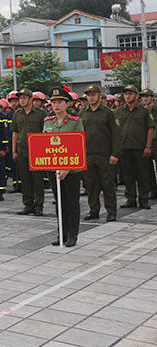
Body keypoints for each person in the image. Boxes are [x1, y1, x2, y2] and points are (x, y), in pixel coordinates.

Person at [43, 86, 85, 247]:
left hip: (72, 170)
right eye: (53, 102)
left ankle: (73, 234)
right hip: (54, 169)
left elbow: (78, 145)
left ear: (67, 104)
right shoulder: (48, 122)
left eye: (60, 102)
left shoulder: (75, 122)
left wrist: (68, 167)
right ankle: (62, 233)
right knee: (59, 202)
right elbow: (44, 145)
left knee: (72, 202)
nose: (56, 105)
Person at [79, 84, 120, 222]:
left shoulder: (108, 113)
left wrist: (115, 153)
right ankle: (93, 210)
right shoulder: (82, 113)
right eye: (89, 95)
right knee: (91, 185)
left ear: (99, 96)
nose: (91, 97)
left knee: (108, 185)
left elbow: (115, 134)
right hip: (88, 155)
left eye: (93, 95)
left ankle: (111, 211)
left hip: (104, 155)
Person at [116, 84, 154, 209]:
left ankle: (144, 198)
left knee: (142, 175)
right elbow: (115, 129)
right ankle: (130, 198)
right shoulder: (119, 111)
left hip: (140, 148)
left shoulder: (144, 111)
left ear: (136, 96)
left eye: (130, 93)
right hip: (124, 148)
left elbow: (150, 128)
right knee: (128, 175)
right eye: (126, 94)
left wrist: (148, 146)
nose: (128, 96)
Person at [11, 89, 48, 216]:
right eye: (20, 98)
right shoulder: (17, 114)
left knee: (37, 179)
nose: (21, 100)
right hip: (22, 150)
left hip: (37, 150)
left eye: (24, 98)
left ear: (31, 99)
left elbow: (46, 132)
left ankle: (39, 205)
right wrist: (14, 150)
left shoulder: (41, 113)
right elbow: (15, 132)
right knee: (25, 179)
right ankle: (28, 204)